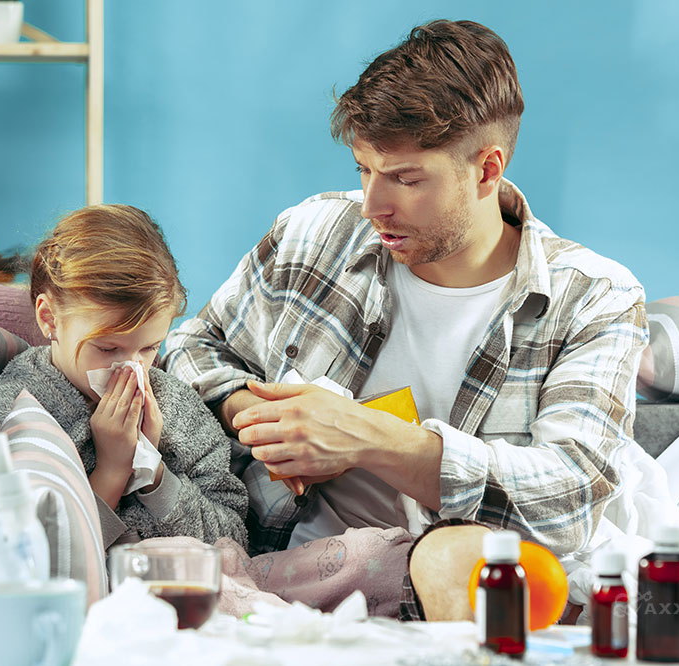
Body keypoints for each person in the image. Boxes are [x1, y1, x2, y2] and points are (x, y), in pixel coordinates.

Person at [161, 18, 648, 620]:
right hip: (292, 574)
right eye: (364, 170)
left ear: (488, 169)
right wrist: (268, 421)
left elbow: (568, 499)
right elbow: (189, 349)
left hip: (471, 594)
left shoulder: (594, 297)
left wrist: (365, 437)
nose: (373, 205)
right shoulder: (313, 235)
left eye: (405, 179)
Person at [0, 204, 248, 550]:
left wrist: (152, 471)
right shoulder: (8, 412)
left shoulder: (180, 409)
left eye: (149, 348)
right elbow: (23, 558)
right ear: (49, 319)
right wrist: (113, 470)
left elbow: (234, 541)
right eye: (107, 348)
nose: (132, 369)